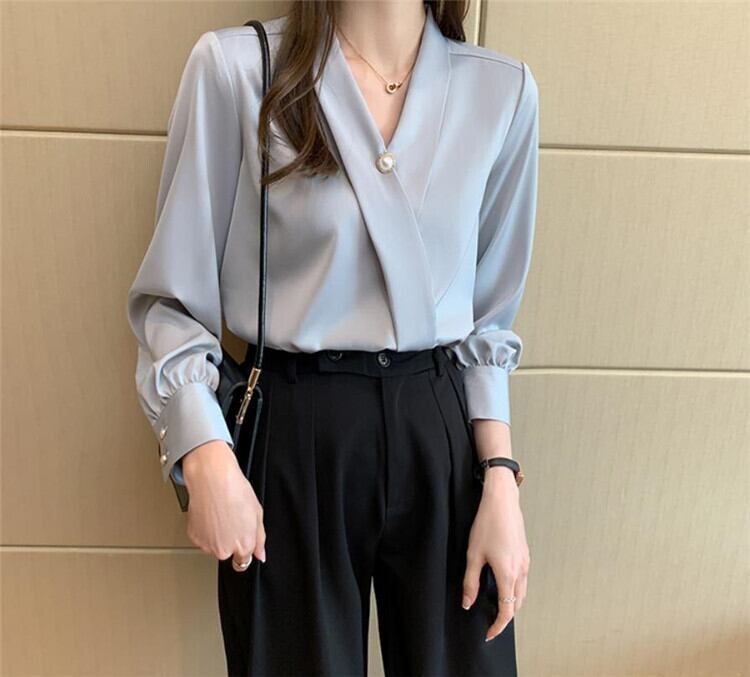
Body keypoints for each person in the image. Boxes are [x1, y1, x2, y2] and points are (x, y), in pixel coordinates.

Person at [126, 1, 538, 675]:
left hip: (441, 430)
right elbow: (172, 301)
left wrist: (501, 478)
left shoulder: (502, 92)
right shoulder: (239, 71)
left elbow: (489, 320)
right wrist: (203, 453)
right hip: (294, 431)